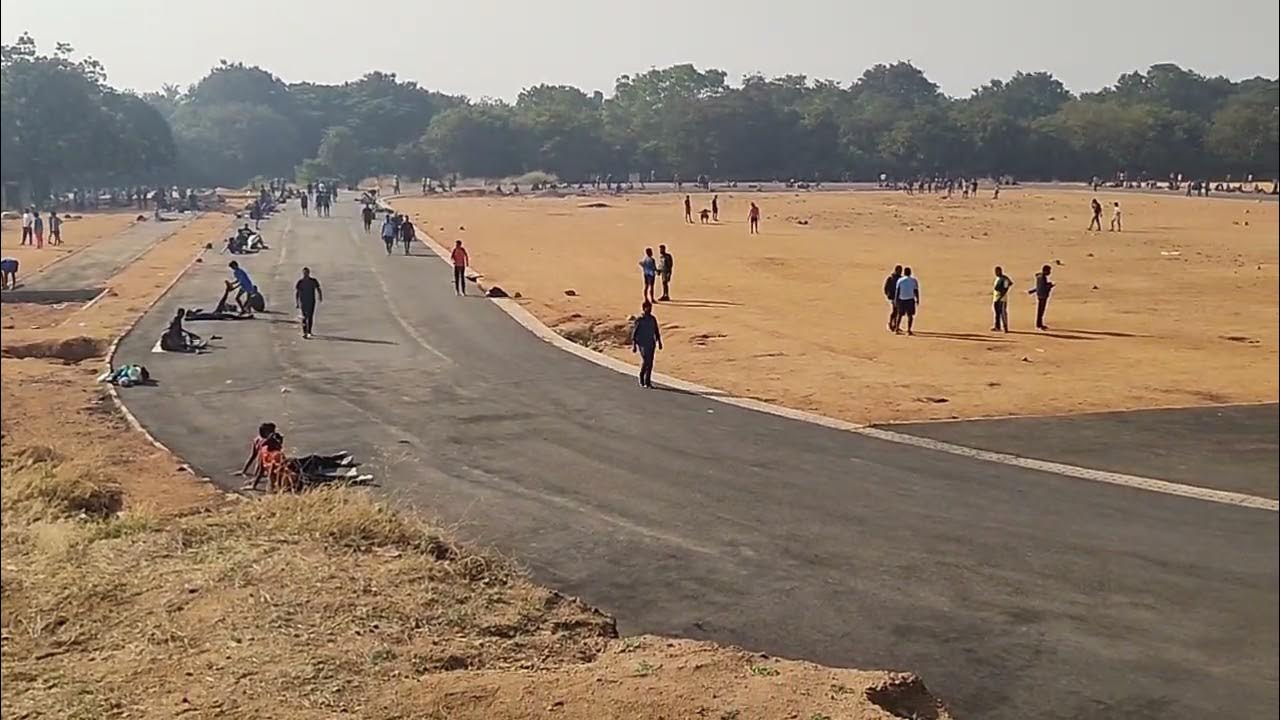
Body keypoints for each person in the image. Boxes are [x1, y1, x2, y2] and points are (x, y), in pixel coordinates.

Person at [631, 300, 663, 388]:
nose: (649, 310)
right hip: (642, 343)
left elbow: (656, 331)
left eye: (650, 308)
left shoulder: (653, 319)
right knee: (646, 360)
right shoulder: (640, 319)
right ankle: (642, 376)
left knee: (651, 362)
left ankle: (648, 382)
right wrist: (634, 345)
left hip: (651, 343)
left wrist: (659, 342)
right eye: (648, 308)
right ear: (644, 308)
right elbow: (635, 332)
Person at [295, 267, 322, 338]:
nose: (305, 274)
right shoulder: (300, 282)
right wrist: (297, 302)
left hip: (311, 301)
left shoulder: (313, 281)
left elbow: (318, 288)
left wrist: (320, 296)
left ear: (309, 273)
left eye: (306, 272)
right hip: (303, 301)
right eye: (304, 273)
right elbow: (297, 292)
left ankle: (309, 331)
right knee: (304, 317)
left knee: (310, 316)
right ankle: (304, 332)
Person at [894, 267, 920, 335]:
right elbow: (916, 290)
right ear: (910, 273)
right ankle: (908, 330)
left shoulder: (900, 280)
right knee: (910, 315)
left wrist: (896, 300)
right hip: (910, 300)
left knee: (899, 315)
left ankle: (896, 329)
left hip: (901, 299)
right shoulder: (914, 280)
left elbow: (897, 291)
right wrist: (917, 299)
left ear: (904, 273)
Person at [1028, 264, 1054, 330]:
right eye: (1049, 271)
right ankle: (1039, 324)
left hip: (1040, 295)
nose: (1049, 272)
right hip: (1043, 296)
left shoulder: (1039, 277)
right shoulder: (1042, 278)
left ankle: (1039, 324)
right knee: (1041, 311)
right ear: (1045, 271)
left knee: (1040, 311)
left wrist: (1032, 291)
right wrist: (1050, 286)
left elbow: (1039, 287)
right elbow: (1043, 287)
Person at [991, 266, 1013, 333]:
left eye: (997, 271)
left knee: (1003, 313)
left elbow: (1006, 288)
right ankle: (997, 326)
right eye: (995, 272)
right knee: (997, 313)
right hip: (996, 298)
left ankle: (1005, 327)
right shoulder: (998, 278)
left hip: (1002, 299)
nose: (996, 273)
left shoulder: (1004, 279)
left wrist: (1000, 297)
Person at [883, 264, 903, 331]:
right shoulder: (891, 278)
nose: (900, 272)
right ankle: (891, 324)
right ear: (896, 270)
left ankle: (894, 325)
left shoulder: (901, 278)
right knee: (895, 311)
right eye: (899, 270)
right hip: (893, 297)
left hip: (899, 297)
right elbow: (886, 287)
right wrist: (888, 295)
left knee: (897, 311)